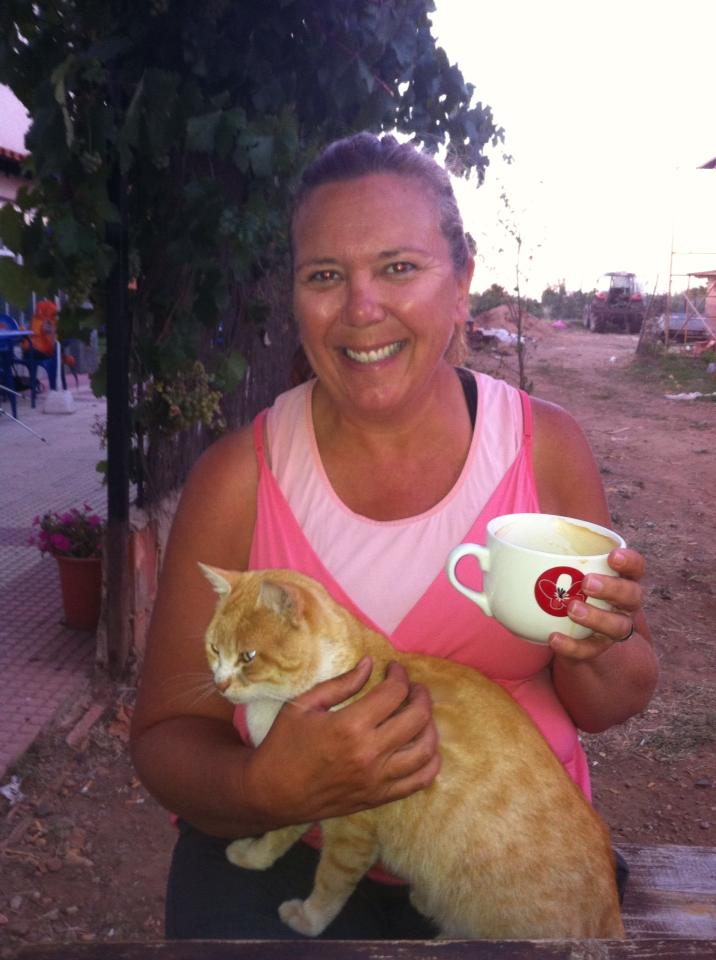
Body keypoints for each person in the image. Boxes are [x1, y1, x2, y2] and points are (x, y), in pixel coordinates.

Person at [130, 132, 658, 940]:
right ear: (294, 294)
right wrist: (267, 788)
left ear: (462, 280)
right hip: (297, 851)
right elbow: (165, 736)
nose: (361, 308)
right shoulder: (237, 479)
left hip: (508, 861)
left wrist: (597, 644)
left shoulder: (543, 448)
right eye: (325, 276)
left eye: (399, 267)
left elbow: (611, 701)